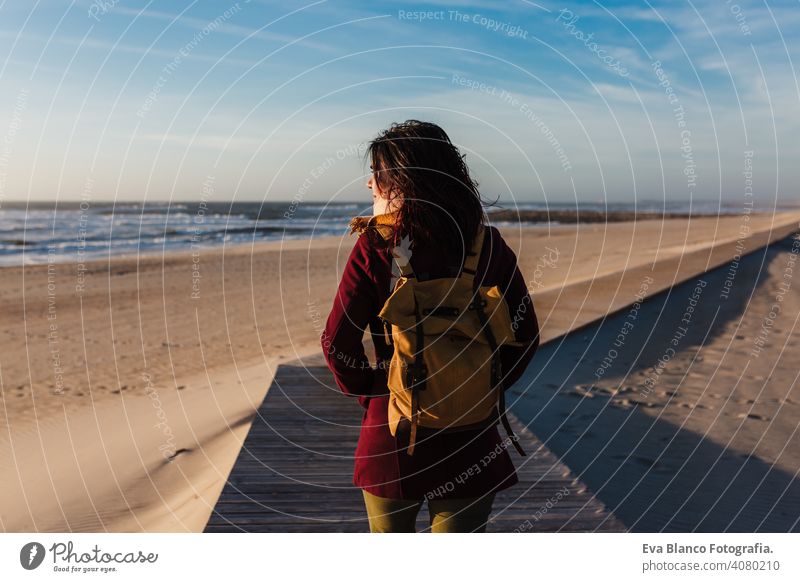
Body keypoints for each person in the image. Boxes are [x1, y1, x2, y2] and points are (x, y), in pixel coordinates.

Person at [320, 120, 540, 533]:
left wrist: (378, 392)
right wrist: (474, 383)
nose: (370, 184)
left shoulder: (376, 246)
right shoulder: (488, 245)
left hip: (393, 436)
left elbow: (337, 344)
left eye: (378, 174)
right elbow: (526, 337)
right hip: (472, 438)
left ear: (400, 184)